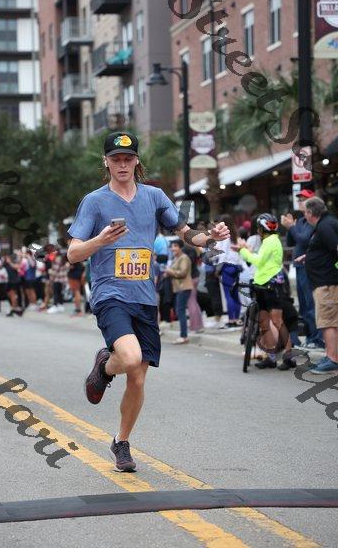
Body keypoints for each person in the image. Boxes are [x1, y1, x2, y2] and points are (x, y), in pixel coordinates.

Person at [67, 131, 229, 472]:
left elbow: (185, 233)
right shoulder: (94, 202)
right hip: (110, 293)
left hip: (144, 297)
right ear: (106, 162)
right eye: (116, 159)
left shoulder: (154, 196)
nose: (122, 164)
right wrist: (100, 240)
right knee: (130, 357)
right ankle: (105, 366)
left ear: (136, 160)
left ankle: (121, 441)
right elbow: (73, 253)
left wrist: (209, 237)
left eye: (128, 158)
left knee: (138, 378)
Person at [234, 214, 294, 370]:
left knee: (277, 321)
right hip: (261, 284)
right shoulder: (270, 240)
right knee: (264, 322)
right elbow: (261, 261)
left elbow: (258, 261)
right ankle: (271, 357)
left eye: (259, 228)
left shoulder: (270, 241)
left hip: (272, 286)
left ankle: (289, 356)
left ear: (261, 229)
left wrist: (243, 251)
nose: (258, 231)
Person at [281, 189, 324, 350]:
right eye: (298, 199)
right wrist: (290, 227)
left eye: (303, 199)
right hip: (298, 266)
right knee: (304, 305)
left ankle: (317, 339)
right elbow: (292, 242)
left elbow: (304, 240)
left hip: (308, 266)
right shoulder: (300, 221)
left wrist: (292, 227)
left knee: (311, 303)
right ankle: (310, 336)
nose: (299, 201)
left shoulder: (311, 221)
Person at [301, 197, 338, 374]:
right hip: (324, 282)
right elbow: (327, 250)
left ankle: (332, 359)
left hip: (327, 283)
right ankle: (331, 355)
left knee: (328, 322)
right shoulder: (326, 224)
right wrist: (309, 257)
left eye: (305, 212)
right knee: (329, 321)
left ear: (310, 212)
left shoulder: (324, 226)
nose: (304, 215)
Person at [217, 214, 244, 328]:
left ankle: (231, 320)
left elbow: (222, 253)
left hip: (227, 266)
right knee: (235, 294)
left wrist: (218, 267)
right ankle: (237, 319)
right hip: (236, 267)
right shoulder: (236, 235)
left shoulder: (224, 236)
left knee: (228, 295)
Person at [165, 239, 194, 344]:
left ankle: (184, 336)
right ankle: (183, 335)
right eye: (172, 246)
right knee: (179, 311)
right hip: (179, 288)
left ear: (181, 247)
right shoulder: (176, 258)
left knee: (180, 311)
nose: (173, 248)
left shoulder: (184, 258)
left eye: (175, 246)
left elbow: (182, 273)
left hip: (184, 287)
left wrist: (169, 271)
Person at [183, 243, 204, 333]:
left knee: (191, 302)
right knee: (194, 302)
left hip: (190, 278)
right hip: (194, 276)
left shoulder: (187, 249)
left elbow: (187, 265)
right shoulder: (194, 248)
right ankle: (198, 325)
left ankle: (195, 326)